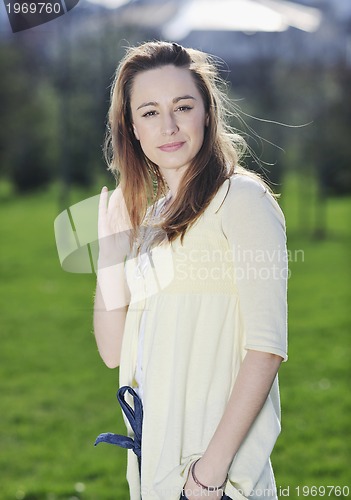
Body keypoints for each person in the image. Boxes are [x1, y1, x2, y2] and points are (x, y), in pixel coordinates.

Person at [93, 41, 288, 500]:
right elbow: (113, 352)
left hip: (214, 481)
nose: (169, 126)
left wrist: (208, 477)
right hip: (153, 471)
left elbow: (267, 349)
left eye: (183, 106)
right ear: (131, 129)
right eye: (149, 112)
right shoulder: (153, 217)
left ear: (206, 112)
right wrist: (108, 258)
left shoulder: (241, 201)